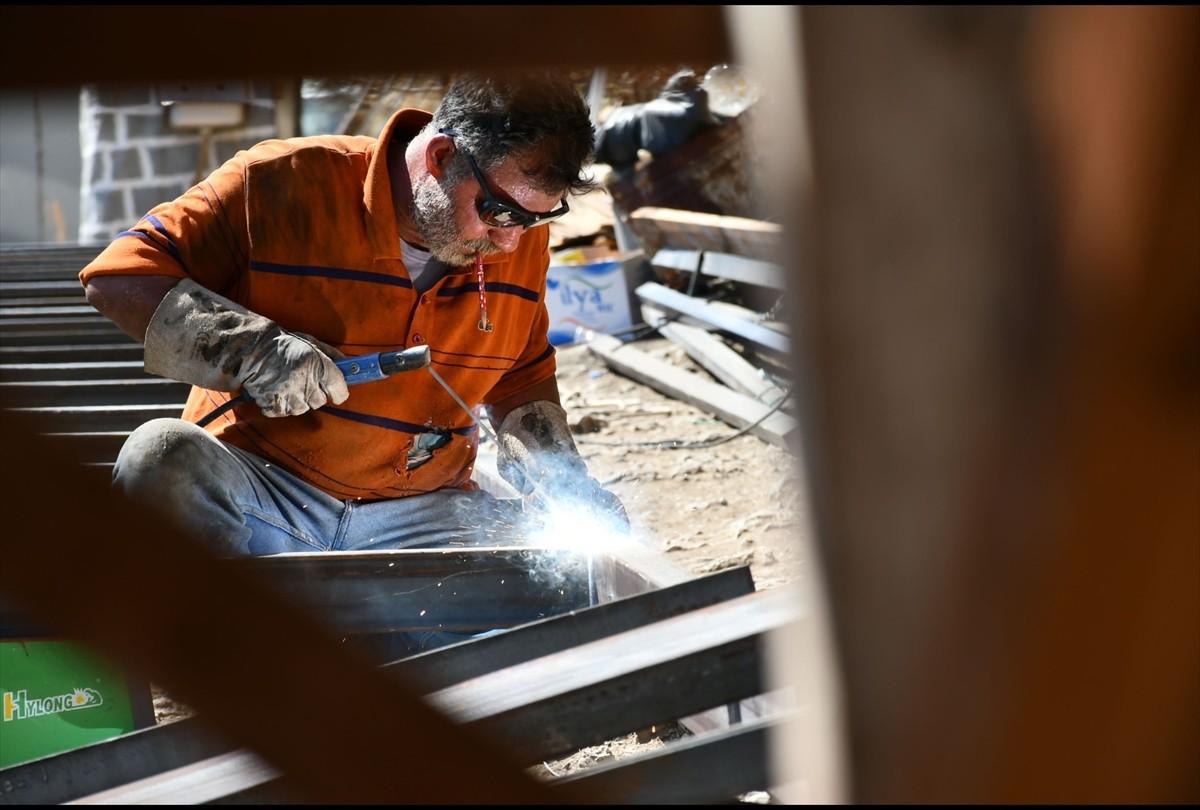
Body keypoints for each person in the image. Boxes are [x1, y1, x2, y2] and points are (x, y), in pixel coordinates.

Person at [79, 70, 627, 560]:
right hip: (265, 497)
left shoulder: (518, 241)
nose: (509, 242)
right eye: (499, 211)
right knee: (161, 457)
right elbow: (120, 275)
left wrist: (561, 479)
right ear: (438, 157)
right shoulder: (278, 184)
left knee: (555, 576)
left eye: (530, 221)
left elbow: (522, 377)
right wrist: (253, 351)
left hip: (423, 518)